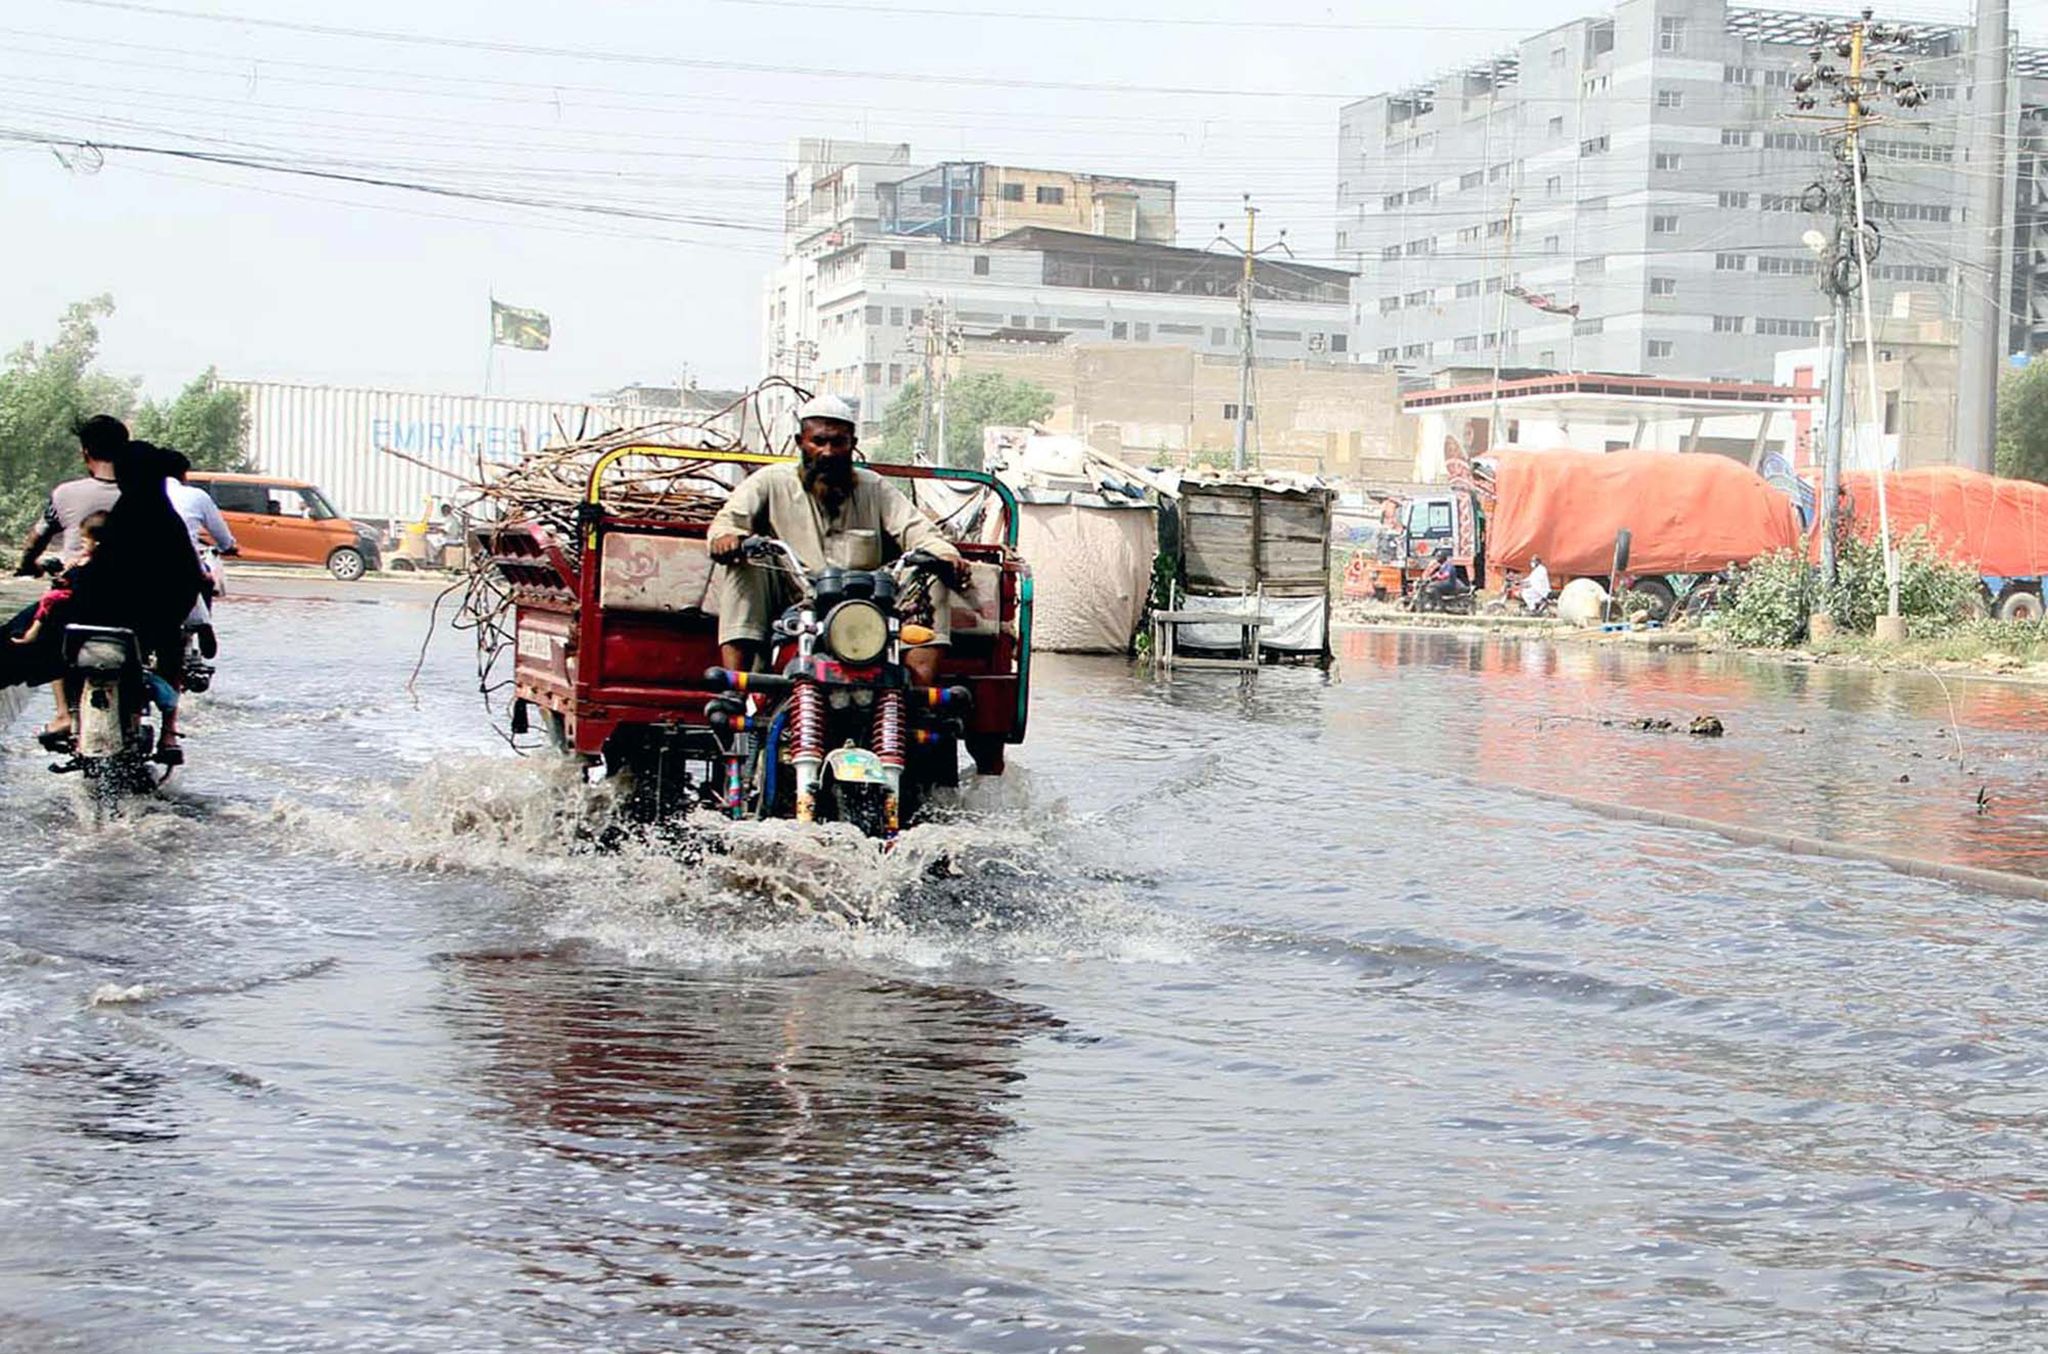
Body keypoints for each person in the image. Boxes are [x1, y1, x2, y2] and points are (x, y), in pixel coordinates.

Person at [707, 394, 970, 692]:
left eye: (838, 442)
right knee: (745, 564)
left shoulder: (874, 487)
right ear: (800, 441)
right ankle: (736, 689)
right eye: (818, 441)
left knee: (930, 572)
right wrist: (727, 539)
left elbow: (919, 531)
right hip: (793, 598)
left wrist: (946, 556)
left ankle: (919, 695)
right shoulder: (770, 481)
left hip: (866, 601)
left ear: (852, 444)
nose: (828, 452)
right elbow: (728, 522)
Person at [0, 441, 205, 761]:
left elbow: (96, 578)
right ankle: (168, 735)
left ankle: (65, 715)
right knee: (173, 643)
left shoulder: (124, 517)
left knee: (20, 637)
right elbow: (189, 582)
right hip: (151, 626)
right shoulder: (168, 522)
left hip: (102, 618)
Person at [15, 415, 128, 575]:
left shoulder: (65, 494)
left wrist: (28, 565)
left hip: (77, 589)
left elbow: (36, 540)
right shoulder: (149, 496)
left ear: (85, 453)